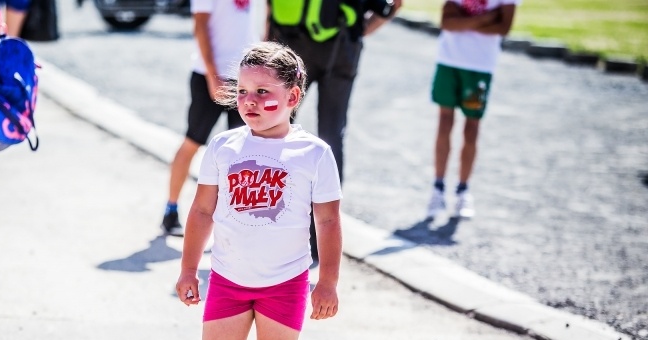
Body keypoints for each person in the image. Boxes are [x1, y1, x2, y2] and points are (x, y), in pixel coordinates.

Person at [174, 42, 342, 340]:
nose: (250, 101)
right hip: (229, 278)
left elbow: (327, 221)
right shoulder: (224, 146)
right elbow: (202, 211)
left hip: (286, 281)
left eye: (263, 92)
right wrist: (188, 269)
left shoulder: (313, 153)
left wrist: (327, 282)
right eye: (243, 91)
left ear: (293, 96)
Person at [265, 0, 401, 258]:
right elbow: (391, 6)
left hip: (291, 42)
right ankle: (320, 237)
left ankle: (268, 220)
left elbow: (268, 7)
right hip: (342, 47)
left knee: (276, 127)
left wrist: (269, 41)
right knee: (331, 136)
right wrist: (356, 30)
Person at [161, 0, 257, 237]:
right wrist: (213, 76)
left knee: (245, 152)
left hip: (244, 78)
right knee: (192, 141)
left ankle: (239, 222)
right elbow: (200, 26)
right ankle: (170, 210)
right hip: (209, 76)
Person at [426, 0, 519, 219]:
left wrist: (464, 21)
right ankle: (438, 188)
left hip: (480, 65)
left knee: (471, 129)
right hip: (449, 60)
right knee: (444, 124)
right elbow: (447, 22)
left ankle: (463, 190)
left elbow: (503, 26)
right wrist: (487, 18)